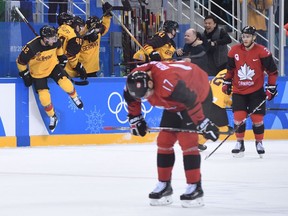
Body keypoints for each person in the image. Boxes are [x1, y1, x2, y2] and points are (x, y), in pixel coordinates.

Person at [124, 61, 220, 207]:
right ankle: (164, 185)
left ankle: (195, 187)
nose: (146, 98)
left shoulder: (167, 83)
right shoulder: (134, 80)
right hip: (175, 100)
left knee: (188, 141)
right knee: (164, 140)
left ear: (150, 83)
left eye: (147, 94)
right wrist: (135, 118)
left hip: (197, 93)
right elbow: (132, 99)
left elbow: (191, 99)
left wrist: (203, 122)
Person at [222, 26, 278, 158]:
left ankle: (259, 143)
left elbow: (273, 72)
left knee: (257, 119)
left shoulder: (262, 51)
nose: (245, 38)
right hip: (239, 90)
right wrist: (227, 82)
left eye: (248, 36)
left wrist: (271, 87)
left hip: (256, 91)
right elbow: (230, 69)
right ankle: (239, 143)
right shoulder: (234, 50)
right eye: (243, 36)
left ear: (254, 37)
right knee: (238, 118)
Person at [16, 25, 84, 132]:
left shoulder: (55, 42)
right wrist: (25, 74)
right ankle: (53, 116)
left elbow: (59, 48)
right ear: (45, 39)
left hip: (52, 66)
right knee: (44, 98)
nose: (55, 40)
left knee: (65, 83)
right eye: (52, 38)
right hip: (38, 73)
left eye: (55, 37)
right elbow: (20, 62)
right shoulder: (31, 48)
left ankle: (75, 97)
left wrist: (61, 57)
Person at [198, 69, 233, 151]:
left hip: (206, 99)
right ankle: (195, 142)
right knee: (225, 129)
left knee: (210, 126)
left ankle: (198, 142)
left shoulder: (223, 71)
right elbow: (228, 94)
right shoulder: (237, 76)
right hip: (217, 103)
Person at [79, 2, 112, 77]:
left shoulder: (98, 34)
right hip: (80, 70)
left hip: (93, 69)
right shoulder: (79, 37)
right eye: (96, 29)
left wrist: (107, 15)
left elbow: (104, 26)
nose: (98, 30)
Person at [57, 13, 87, 80]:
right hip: (67, 71)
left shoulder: (58, 29)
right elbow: (71, 55)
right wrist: (79, 66)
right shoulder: (75, 36)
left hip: (53, 67)